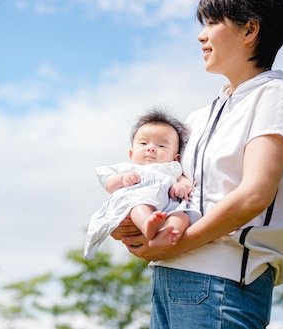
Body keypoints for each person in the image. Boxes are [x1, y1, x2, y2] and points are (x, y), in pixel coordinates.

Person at [111, 0, 283, 329]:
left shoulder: (275, 96)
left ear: (250, 30)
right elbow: (166, 189)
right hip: (168, 280)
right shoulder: (198, 117)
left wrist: (176, 245)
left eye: (212, 23)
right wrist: (130, 227)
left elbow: (254, 194)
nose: (202, 35)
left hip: (222, 283)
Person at [84, 109, 200, 260]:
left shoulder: (173, 169)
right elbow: (109, 184)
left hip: (167, 206)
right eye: (144, 143)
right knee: (140, 206)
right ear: (131, 154)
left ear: (176, 158)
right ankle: (147, 224)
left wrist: (182, 186)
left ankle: (167, 233)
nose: (151, 148)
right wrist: (123, 178)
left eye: (161, 146)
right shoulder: (129, 168)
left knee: (182, 216)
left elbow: (185, 181)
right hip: (140, 200)